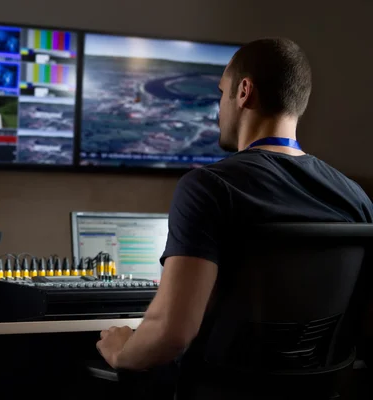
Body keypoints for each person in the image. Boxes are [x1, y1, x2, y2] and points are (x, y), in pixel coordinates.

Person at [95, 38, 373, 373]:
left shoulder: (208, 187)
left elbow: (171, 333)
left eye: (220, 92)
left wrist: (120, 353)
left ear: (243, 92)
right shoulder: (356, 198)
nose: (219, 107)